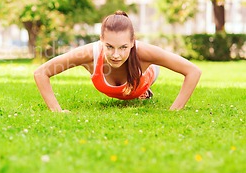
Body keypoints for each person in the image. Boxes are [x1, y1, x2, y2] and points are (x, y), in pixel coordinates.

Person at [34, 11, 202, 112]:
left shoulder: (144, 52)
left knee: (137, 84)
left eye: (123, 47)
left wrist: (175, 111)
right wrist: (57, 111)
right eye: (109, 46)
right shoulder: (88, 54)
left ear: (132, 42)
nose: (116, 55)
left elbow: (193, 71)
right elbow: (41, 73)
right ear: (101, 40)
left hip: (146, 74)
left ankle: (144, 90)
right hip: (123, 78)